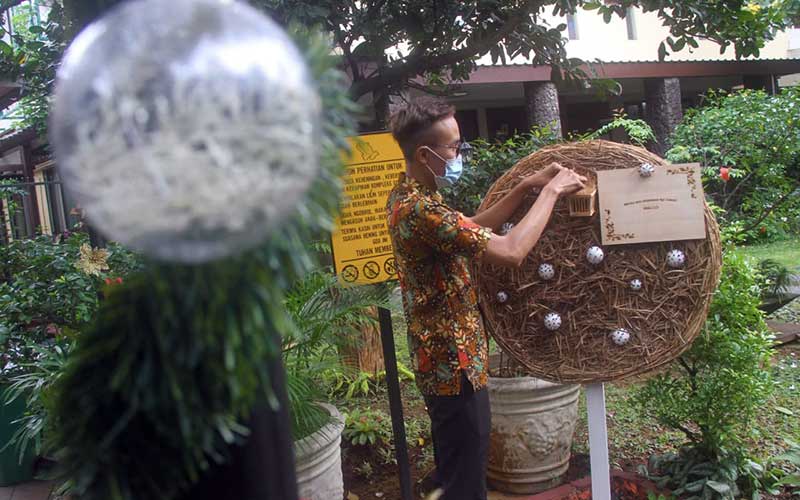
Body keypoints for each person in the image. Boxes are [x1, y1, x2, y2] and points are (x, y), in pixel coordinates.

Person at [385, 97, 586, 500]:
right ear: (425, 154)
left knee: (455, 468)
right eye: (454, 146)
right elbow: (510, 251)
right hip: (453, 366)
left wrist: (526, 187)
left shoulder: (410, 197)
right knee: (466, 482)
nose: (460, 153)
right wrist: (551, 192)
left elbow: (471, 228)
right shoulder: (421, 211)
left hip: (445, 360)